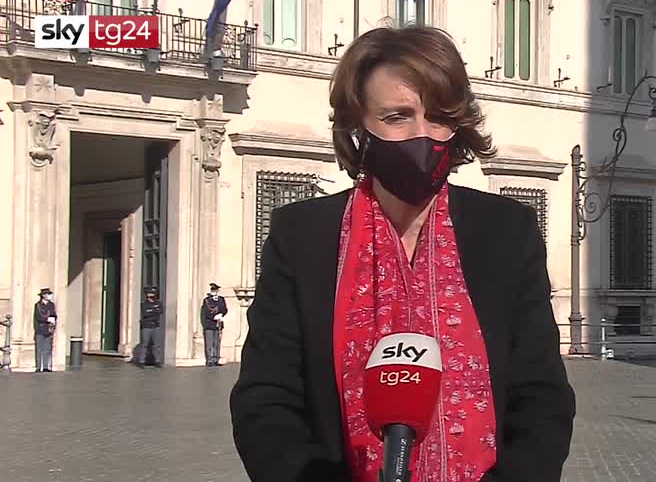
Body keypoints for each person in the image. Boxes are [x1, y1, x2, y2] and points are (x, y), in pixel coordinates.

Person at [230, 26, 576, 482]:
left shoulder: (507, 231)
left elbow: (542, 396)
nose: (423, 135)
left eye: (438, 117)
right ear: (358, 127)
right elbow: (265, 400)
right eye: (397, 116)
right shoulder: (302, 237)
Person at [136, 286, 164, 368]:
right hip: (146, 326)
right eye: (149, 293)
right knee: (144, 344)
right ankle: (141, 361)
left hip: (156, 326)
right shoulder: (144, 304)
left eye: (152, 293)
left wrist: (151, 310)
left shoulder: (158, 303)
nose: (150, 295)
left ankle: (157, 361)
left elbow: (161, 311)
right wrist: (154, 311)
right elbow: (145, 313)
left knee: (156, 344)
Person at [201, 282, 228, 367]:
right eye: (213, 290)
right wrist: (213, 317)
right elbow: (206, 312)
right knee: (209, 343)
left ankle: (216, 359)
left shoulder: (221, 299)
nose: (214, 291)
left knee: (217, 343)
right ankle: (209, 360)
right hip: (209, 324)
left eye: (216, 290)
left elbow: (224, 309)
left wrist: (221, 314)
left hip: (218, 323)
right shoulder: (207, 300)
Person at [33, 288, 57, 373]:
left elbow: (54, 315)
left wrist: (53, 321)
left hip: (48, 329)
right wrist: (47, 319)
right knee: (39, 349)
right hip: (40, 329)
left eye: (49, 294)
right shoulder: (38, 305)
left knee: (47, 349)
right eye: (47, 294)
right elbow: (38, 317)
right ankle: (38, 367)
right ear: (43, 295)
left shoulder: (51, 305)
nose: (49, 296)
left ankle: (46, 367)